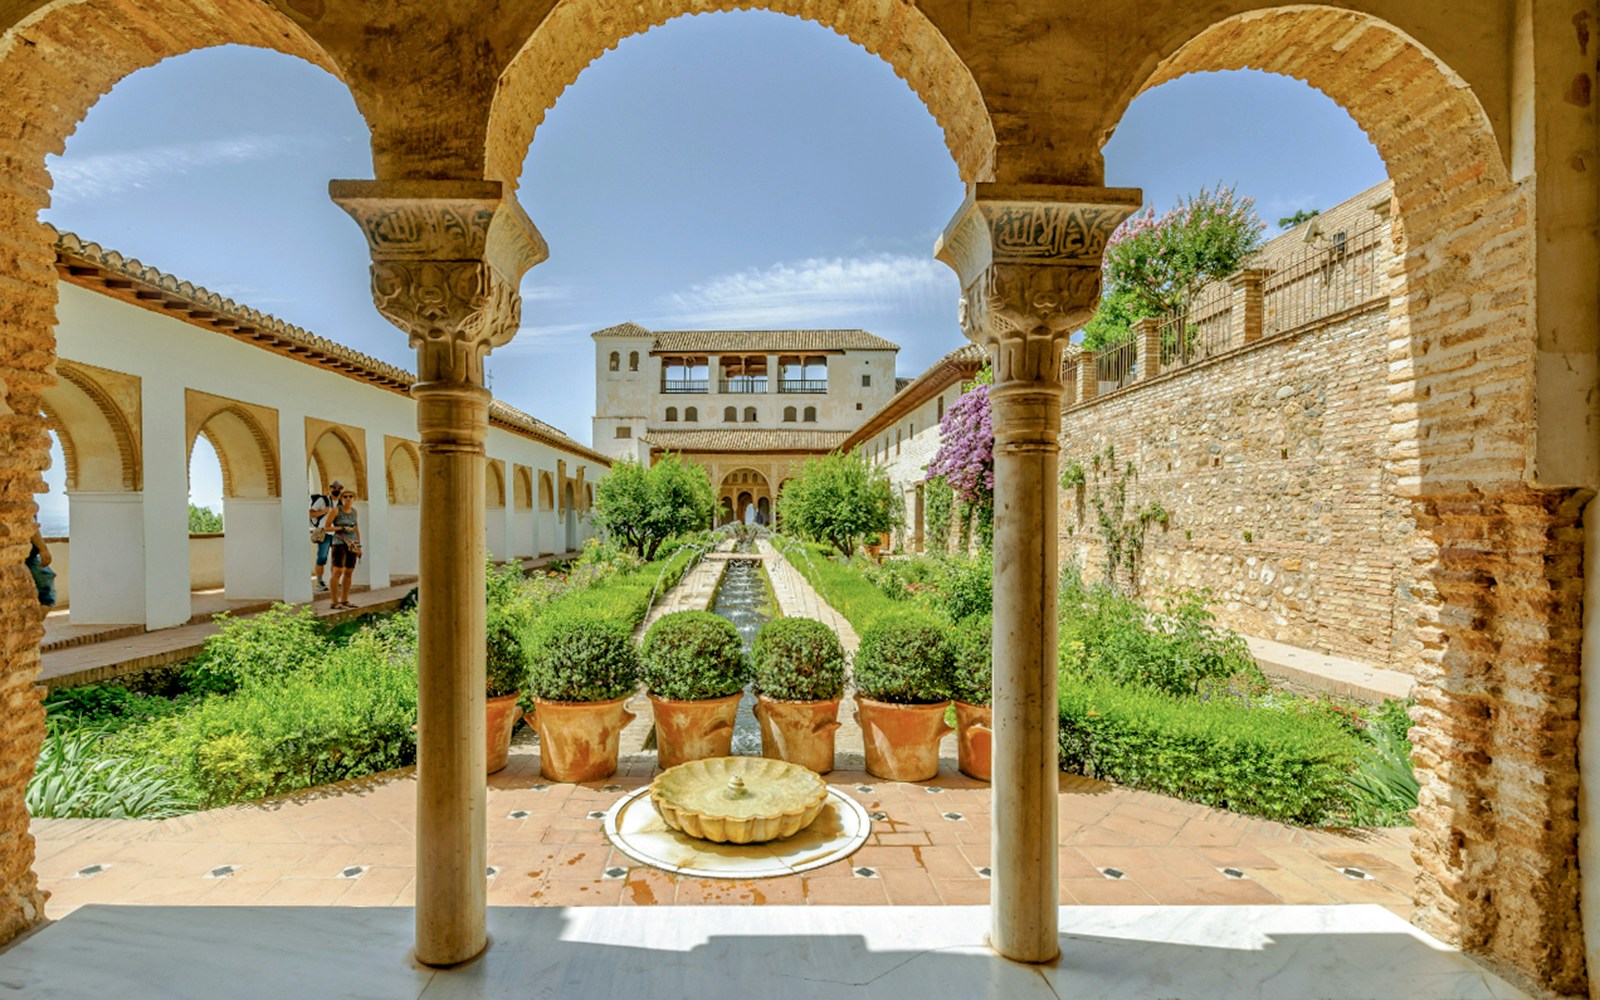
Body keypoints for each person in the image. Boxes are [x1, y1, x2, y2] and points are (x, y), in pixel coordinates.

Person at [323, 490, 362, 610]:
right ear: (341, 498)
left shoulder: (354, 512)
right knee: (337, 571)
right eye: (345, 496)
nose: (348, 498)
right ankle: (334, 601)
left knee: (349, 572)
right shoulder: (336, 510)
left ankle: (345, 599)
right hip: (339, 542)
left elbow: (356, 528)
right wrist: (341, 527)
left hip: (352, 544)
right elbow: (326, 527)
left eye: (351, 496)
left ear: (354, 498)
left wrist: (359, 545)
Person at [310, 481, 344, 591]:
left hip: (336, 534)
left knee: (336, 559)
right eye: (334, 488)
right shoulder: (323, 500)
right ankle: (319, 582)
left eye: (339, 488)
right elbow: (311, 513)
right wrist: (323, 512)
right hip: (324, 533)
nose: (336, 490)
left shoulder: (340, 503)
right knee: (322, 557)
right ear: (330, 489)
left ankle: (335, 581)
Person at [26, 519, 55, 608]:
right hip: (27, 556)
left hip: (29, 554)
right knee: (45, 588)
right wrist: (43, 549)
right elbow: (30, 524)